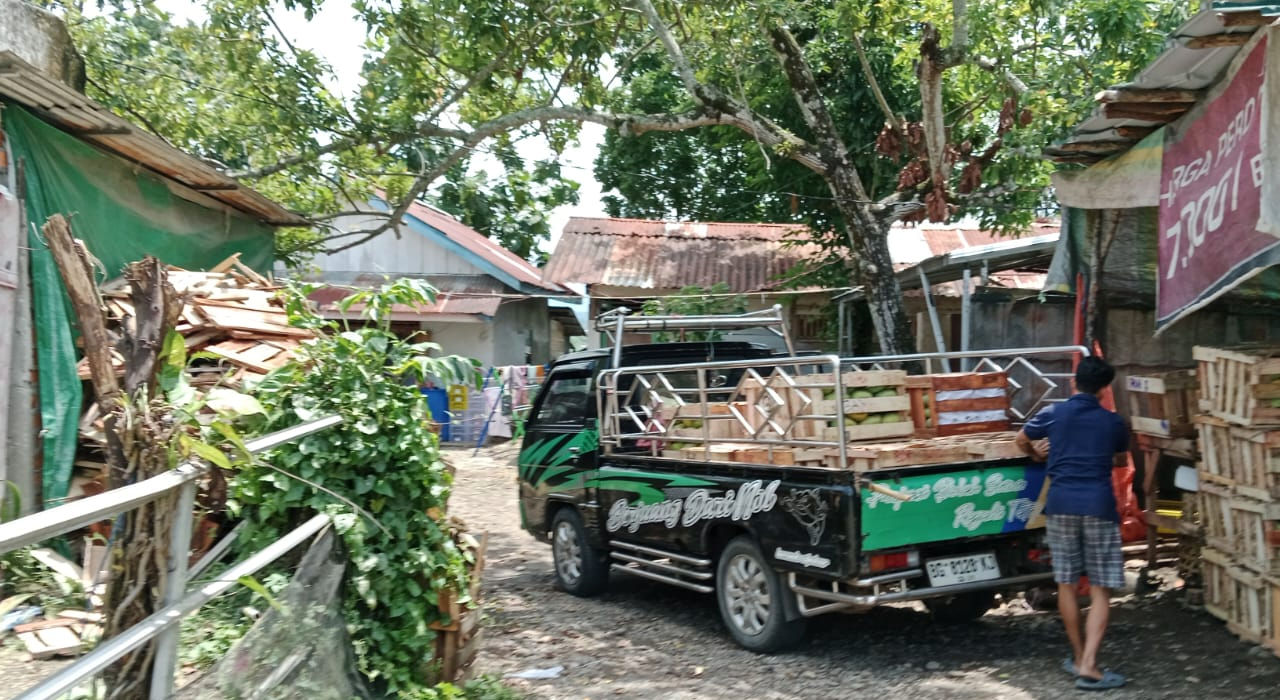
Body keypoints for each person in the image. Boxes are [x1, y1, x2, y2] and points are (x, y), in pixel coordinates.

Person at [1015, 356, 1130, 691]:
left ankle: (1079, 657)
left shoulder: (1054, 413)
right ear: (1105, 389)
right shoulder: (1113, 422)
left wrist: (1040, 454)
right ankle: (1090, 665)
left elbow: (1021, 439)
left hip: (1061, 505)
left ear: (1073, 382)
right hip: (1098, 506)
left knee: (1065, 583)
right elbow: (1121, 460)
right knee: (1100, 588)